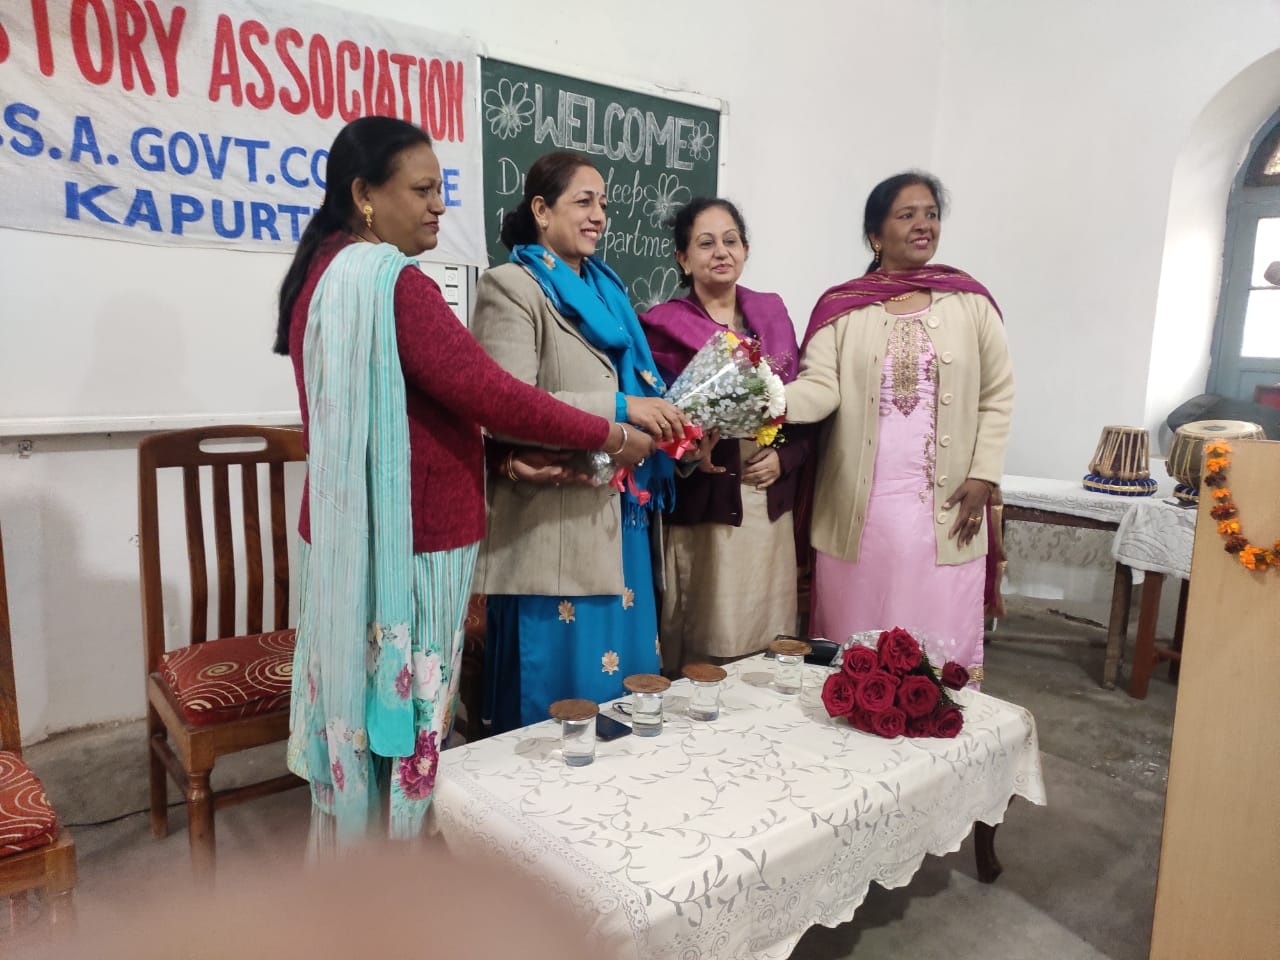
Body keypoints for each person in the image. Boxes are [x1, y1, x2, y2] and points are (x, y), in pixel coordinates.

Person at [274, 118, 651, 850]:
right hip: (414, 538)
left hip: (355, 529)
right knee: (413, 711)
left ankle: (367, 841)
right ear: (364, 195)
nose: (439, 208)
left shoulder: (319, 277)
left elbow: (424, 407)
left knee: (366, 697)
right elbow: (491, 392)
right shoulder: (395, 285)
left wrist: (505, 461)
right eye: (421, 190)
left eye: (442, 190)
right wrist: (607, 431)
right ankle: (403, 854)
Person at [471, 150, 689, 733]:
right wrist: (624, 409)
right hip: (555, 522)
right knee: (556, 708)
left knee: (621, 690)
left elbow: (636, 382)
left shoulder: (606, 290)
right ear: (541, 210)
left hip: (621, 514)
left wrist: (678, 421)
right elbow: (505, 407)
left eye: (604, 205)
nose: (599, 216)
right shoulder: (511, 287)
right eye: (583, 201)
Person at [784, 171, 1014, 685]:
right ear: (875, 235)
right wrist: (769, 398)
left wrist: (984, 474)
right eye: (907, 215)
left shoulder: (971, 303)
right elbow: (820, 389)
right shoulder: (843, 308)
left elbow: (997, 396)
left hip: (948, 505)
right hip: (859, 508)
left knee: (935, 655)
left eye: (931, 214)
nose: (923, 225)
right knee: (858, 645)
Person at [639, 198, 812, 670]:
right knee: (708, 641)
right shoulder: (661, 330)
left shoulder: (772, 317)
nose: (721, 252)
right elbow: (653, 428)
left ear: (746, 249)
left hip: (766, 504)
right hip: (707, 509)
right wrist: (690, 452)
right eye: (706, 243)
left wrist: (786, 458)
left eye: (731, 241)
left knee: (767, 646)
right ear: (682, 258)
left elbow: (803, 409)